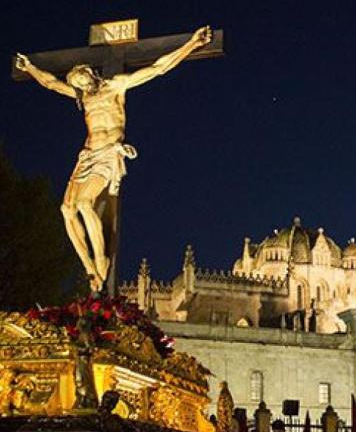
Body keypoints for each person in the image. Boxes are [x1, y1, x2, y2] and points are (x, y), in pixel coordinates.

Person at [16, 27, 212, 292]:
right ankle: (88, 266)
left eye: (82, 79)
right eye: (77, 84)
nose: (81, 86)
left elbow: (157, 68)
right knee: (66, 210)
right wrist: (30, 68)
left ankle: (101, 259)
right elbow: (51, 83)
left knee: (84, 203)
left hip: (108, 153)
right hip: (87, 154)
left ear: (90, 72)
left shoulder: (116, 85)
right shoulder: (83, 97)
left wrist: (191, 44)